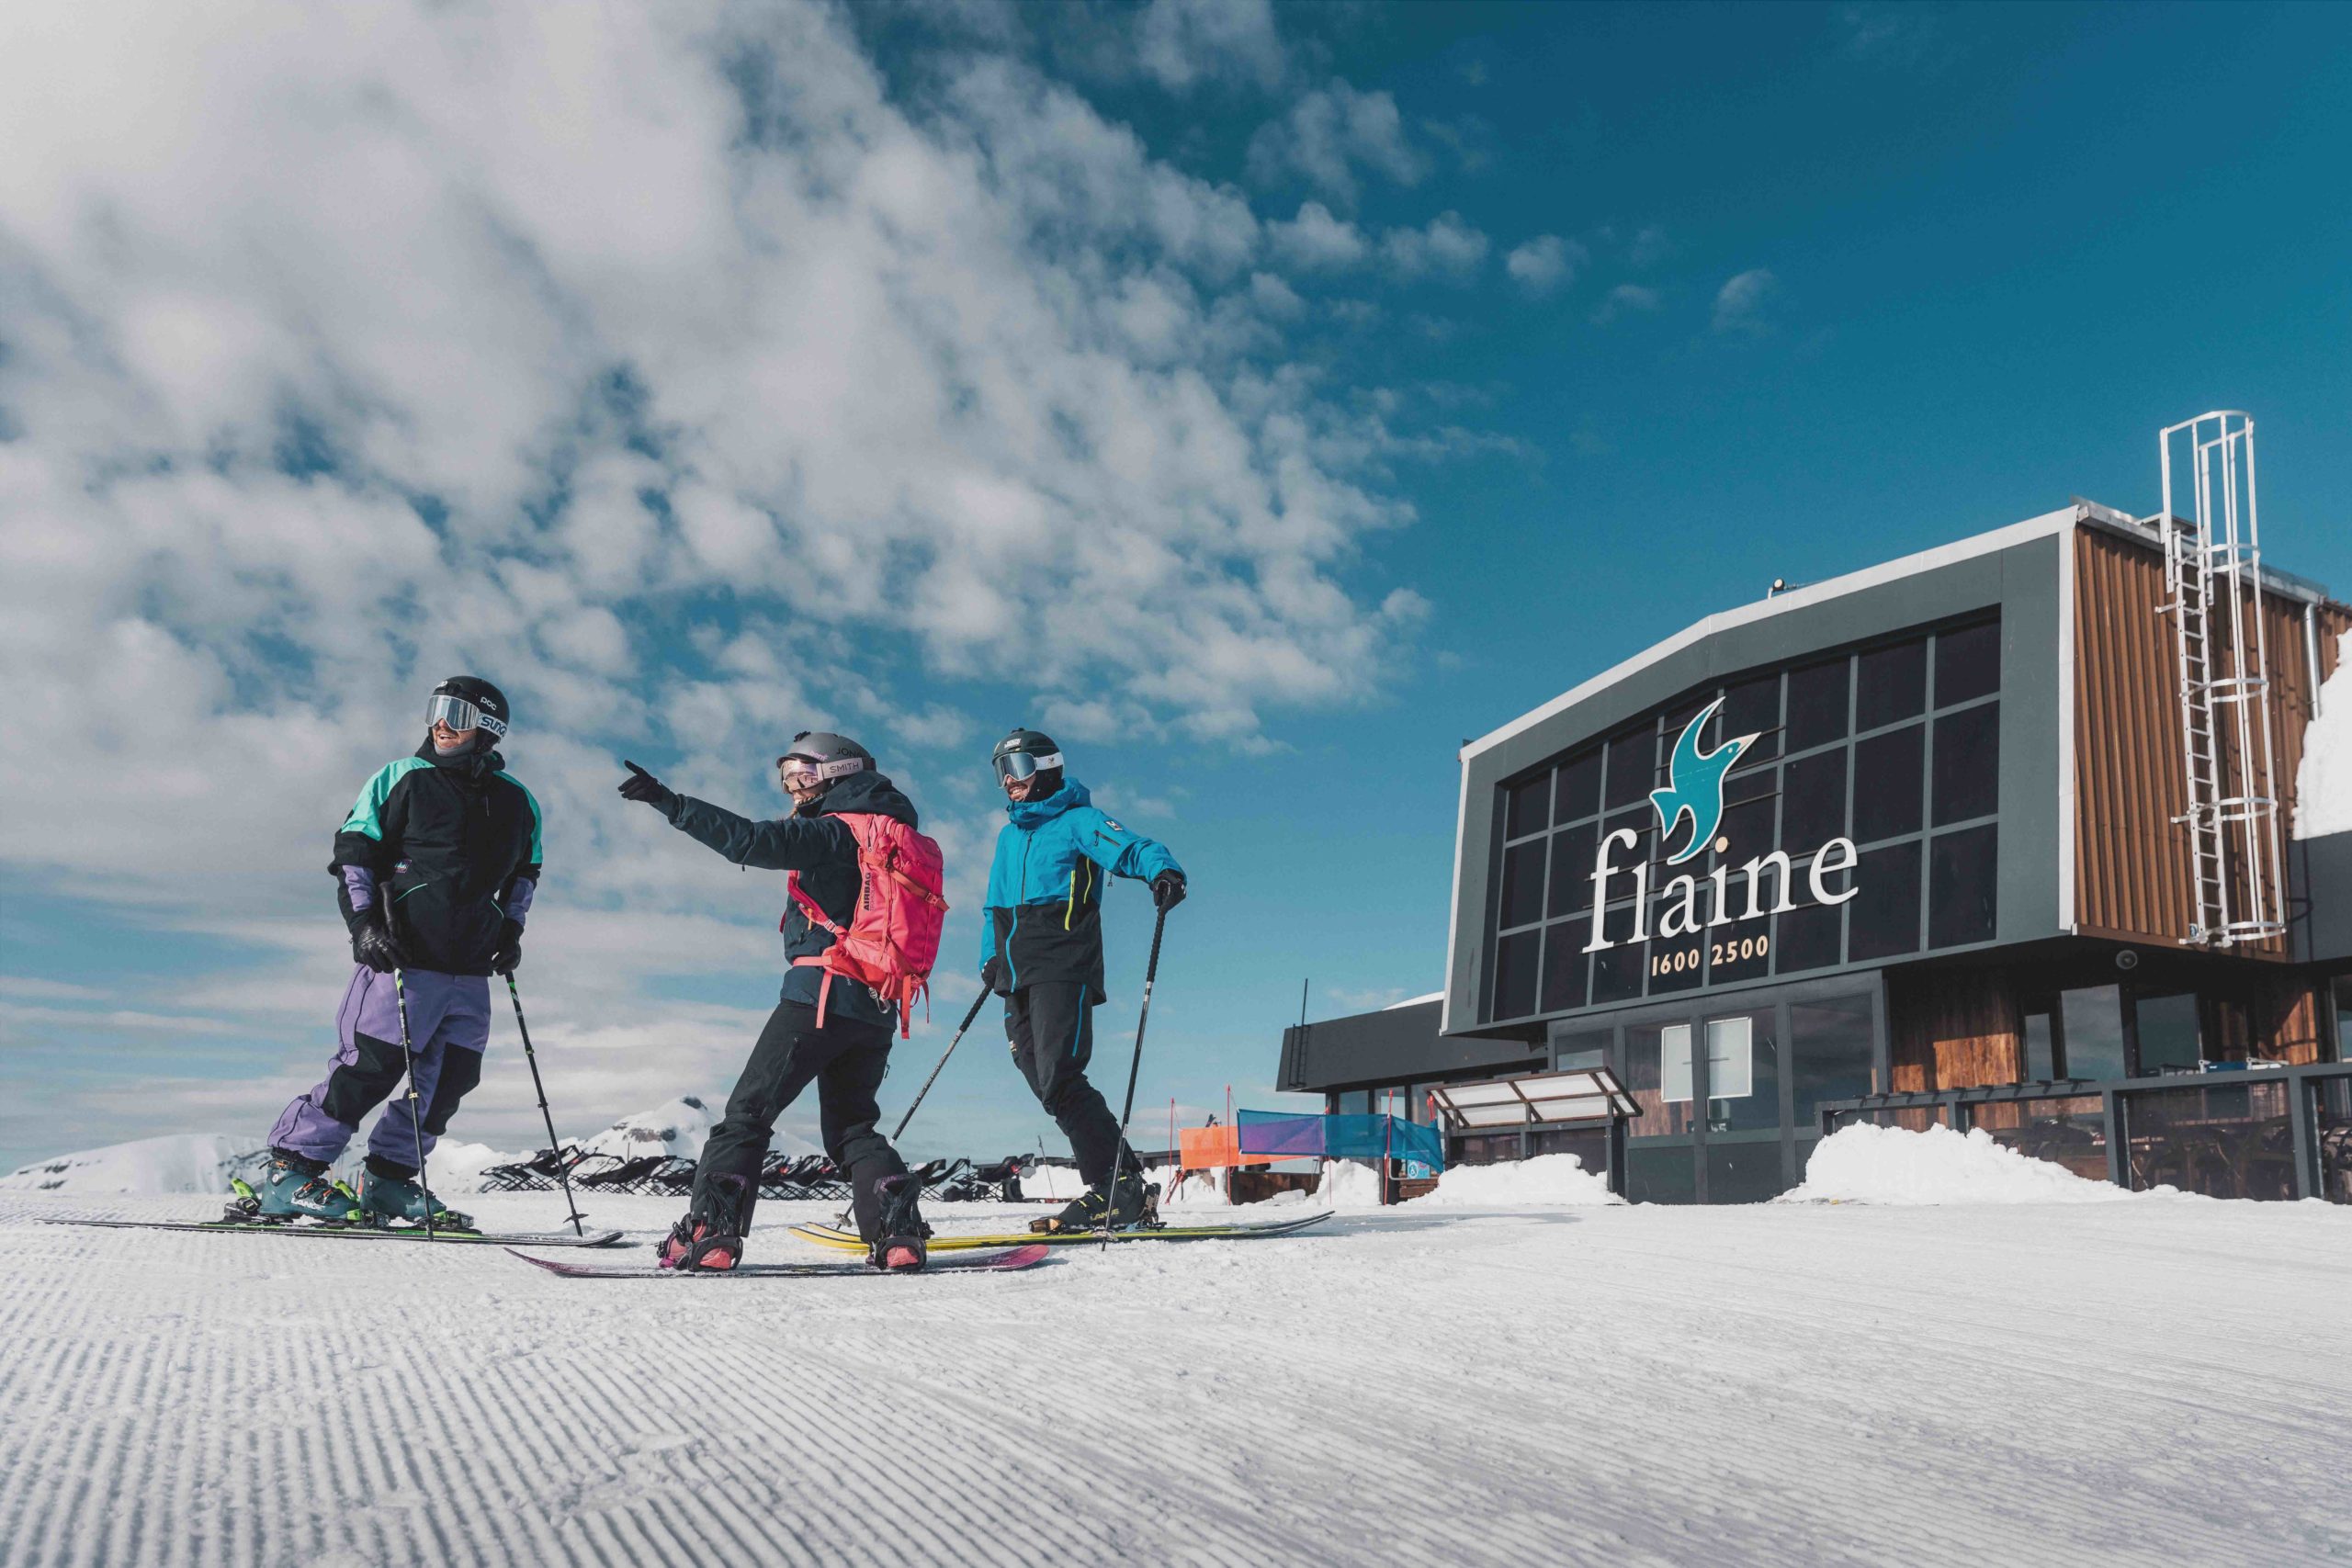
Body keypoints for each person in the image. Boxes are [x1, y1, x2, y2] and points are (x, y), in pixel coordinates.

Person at [618, 733, 934, 1272]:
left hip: (819, 996)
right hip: (877, 1005)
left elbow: (748, 841)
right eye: (786, 776)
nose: (793, 788)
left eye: (804, 775)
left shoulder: (837, 831)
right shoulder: (892, 836)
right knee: (854, 1129)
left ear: (840, 773)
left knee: (746, 1116)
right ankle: (898, 1234)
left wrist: (674, 805)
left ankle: (711, 1233)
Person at [250, 678, 542, 1229]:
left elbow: (526, 873)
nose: (442, 722)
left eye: (457, 713)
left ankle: (388, 1179)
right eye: (437, 710)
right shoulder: (400, 779)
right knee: (371, 1067)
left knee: (448, 1080)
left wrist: (512, 931)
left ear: (490, 729)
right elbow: (355, 853)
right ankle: (291, 1169)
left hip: (471, 969)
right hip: (400, 960)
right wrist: (362, 926)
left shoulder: (518, 802)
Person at [980, 728, 1186, 1233]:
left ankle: (1116, 1187)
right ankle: (1125, 1184)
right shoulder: (1009, 837)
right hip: (1016, 974)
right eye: (1002, 770)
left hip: (1063, 963)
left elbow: (1131, 847)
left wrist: (1163, 871)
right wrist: (990, 959)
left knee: (1061, 1075)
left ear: (1048, 767)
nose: (1010, 780)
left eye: (1021, 766)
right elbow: (992, 907)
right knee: (1043, 1080)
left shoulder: (1079, 821)